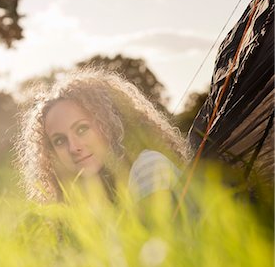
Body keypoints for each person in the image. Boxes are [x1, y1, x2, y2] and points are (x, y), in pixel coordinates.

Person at [14, 68, 191, 205]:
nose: (73, 147)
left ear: (112, 123)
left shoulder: (148, 168)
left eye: (82, 129)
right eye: (59, 140)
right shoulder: (93, 193)